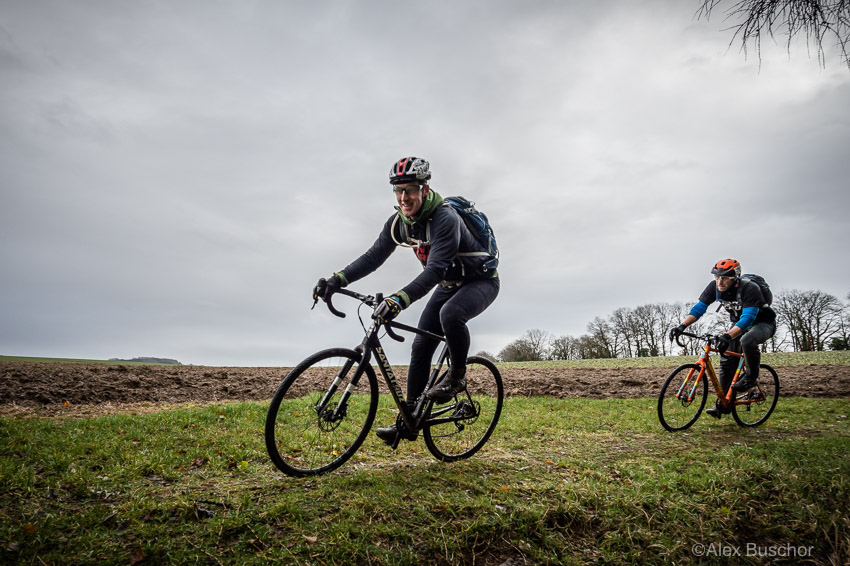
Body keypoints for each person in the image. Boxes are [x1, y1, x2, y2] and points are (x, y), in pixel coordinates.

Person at [312, 156, 500, 443]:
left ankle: (457, 375)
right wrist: (338, 279)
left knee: (450, 314)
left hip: (480, 281)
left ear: (425, 189)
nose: (404, 197)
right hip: (449, 283)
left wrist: (399, 300)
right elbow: (373, 256)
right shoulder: (399, 223)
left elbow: (435, 269)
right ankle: (409, 420)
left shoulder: (445, 219)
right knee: (421, 344)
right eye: (398, 191)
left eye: (410, 189)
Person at [668, 258, 777, 419]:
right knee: (726, 362)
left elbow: (747, 319)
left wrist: (727, 335)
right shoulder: (715, 287)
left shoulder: (750, 289)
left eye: (724, 277)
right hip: (738, 324)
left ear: (735, 277)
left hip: (762, 323)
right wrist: (682, 326)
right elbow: (699, 308)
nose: (720, 281)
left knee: (747, 340)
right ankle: (724, 404)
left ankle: (751, 378)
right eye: (717, 277)